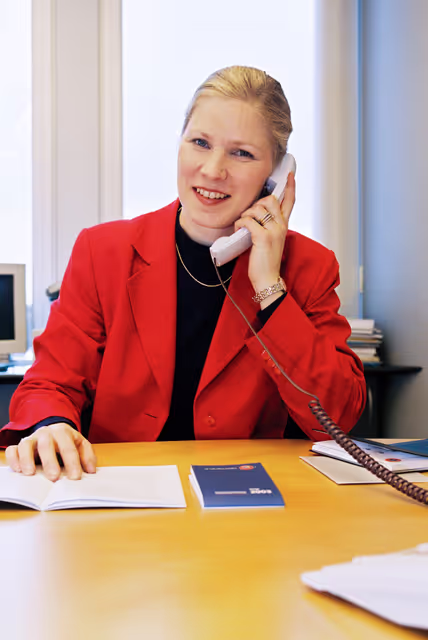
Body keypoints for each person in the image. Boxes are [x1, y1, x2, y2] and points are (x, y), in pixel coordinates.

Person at [1, 66, 366, 480]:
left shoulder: (307, 267)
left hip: (248, 504)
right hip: (118, 495)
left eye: (242, 153)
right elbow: (49, 383)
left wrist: (269, 288)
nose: (212, 169)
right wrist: (52, 426)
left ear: (277, 176)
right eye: (200, 143)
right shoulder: (104, 252)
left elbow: (336, 418)